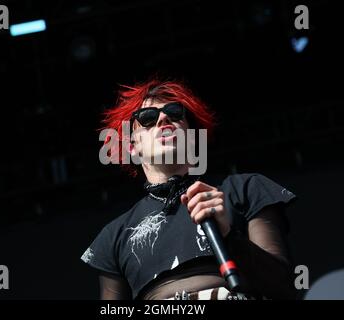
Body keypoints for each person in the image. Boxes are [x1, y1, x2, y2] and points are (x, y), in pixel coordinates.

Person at [81, 78, 297, 300]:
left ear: (192, 137)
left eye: (175, 113)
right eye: (147, 118)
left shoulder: (244, 189)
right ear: (132, 148)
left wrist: (229, 236)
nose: (164, 118)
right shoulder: (114, 236)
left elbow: (285, 287)